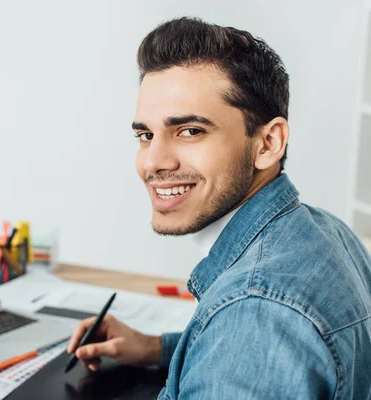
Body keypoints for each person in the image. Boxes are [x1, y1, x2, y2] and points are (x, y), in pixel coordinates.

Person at [67, 17, 371, 399]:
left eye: (190, 131)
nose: (153, 162)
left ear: (268, 143)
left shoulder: (256, 313)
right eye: (146, 135)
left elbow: (254, 334)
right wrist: (155, 348)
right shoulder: (325, 229)